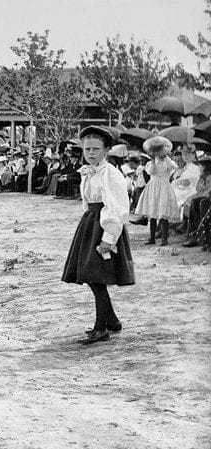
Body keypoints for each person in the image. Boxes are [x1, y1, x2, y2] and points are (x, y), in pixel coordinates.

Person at [61, 126, 135, 345]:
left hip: (104, 226)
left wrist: (108, 238)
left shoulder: (110, 174)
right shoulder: (89, 171)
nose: (91, 153)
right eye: (87, 149)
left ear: (106, 150)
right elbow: (88, 201)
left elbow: (118, 208)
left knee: (96, 277)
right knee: (91, 275)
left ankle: (101, 328)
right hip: (90, 224)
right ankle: (111, 320)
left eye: (96, 149)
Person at [134, 136, 179, 245]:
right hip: (153, 187)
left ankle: (164, 239)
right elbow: (151, 172)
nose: (159, 153)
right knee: (153, 213)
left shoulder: (168, 162)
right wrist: (153, 160)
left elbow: (173, 167)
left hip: (164, 187)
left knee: (163, 214)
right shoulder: (150, 163)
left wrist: (166, 157)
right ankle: (152, 238)